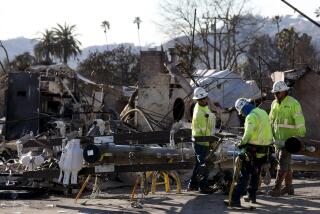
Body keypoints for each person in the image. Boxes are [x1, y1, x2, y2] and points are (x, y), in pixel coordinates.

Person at [227, 98, 272, 207]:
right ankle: (252, 196)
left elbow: (248, 133)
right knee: (256, 173)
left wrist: (241, 143)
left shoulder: (250, 116)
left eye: (241, 112)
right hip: (264, 150)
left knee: (244, 175)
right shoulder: (262, 112)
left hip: (253, 150)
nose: (241, 115)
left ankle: (235, 199)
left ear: (243, 109)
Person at [269, 81, 306, 197]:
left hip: (289, 141)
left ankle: (276, 188)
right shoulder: (274, 103)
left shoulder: (293, 103)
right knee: (286, 165)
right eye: (274, 93)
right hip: (277, 140)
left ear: (284, 91)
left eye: (278, 92)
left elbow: (299, 121)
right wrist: (269, 136)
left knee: (283, 165)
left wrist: (299, 136)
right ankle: (289, 188)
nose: (275, 95)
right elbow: (271, 120)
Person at [187, 87, 216, 194]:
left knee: (199, 164)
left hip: (200, 141)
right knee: (204, 164)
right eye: (201, 99)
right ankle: (203, 187)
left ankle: (192, 185)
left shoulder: (203, 107)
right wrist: (211, 141)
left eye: (204, 98)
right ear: (197, 100)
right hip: (201, 142)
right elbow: (205, 131)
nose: (203, 100)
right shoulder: (199, 112)